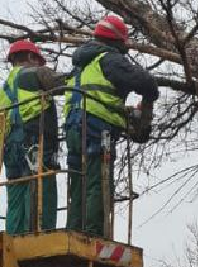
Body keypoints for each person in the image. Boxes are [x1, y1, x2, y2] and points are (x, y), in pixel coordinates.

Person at [63, 14, 159, 238]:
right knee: (99, 180)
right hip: (97, 127)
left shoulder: (81, 66)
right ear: (118, 40)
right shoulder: (109, 58)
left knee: (78, 180)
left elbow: (101, 93)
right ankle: (93, 234)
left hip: (73, 128)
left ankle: (75, 230)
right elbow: (146, 82)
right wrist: (149, 98)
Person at [0, 39, 65, 235]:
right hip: (34, 141)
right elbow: (62, 82)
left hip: (9, 148)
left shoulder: (4, 89)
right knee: (42, 187)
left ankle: (14, 239)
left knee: (16, 194)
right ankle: (41, 235)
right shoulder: (32, 73)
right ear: (32, 57)